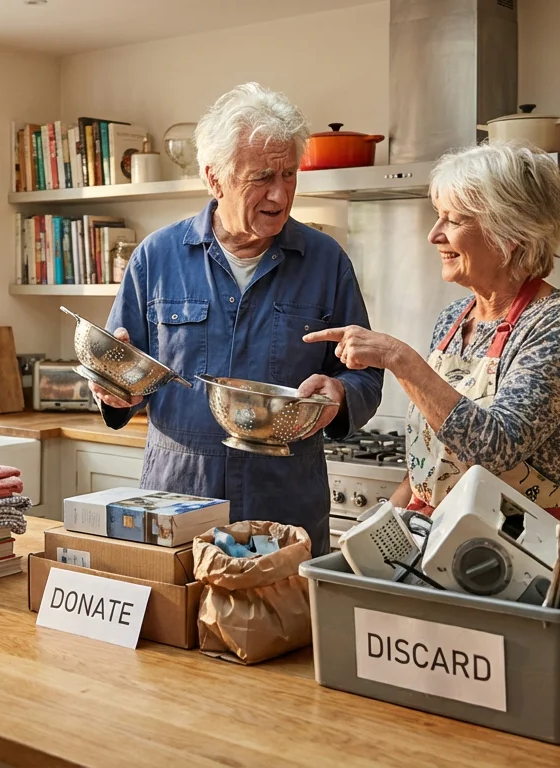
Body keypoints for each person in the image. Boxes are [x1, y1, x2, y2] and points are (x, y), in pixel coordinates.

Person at [92, 83, 384, 555]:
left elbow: (365, 374)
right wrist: (112, 387)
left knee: (287, 631)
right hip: (178, 503)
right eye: (262, 176)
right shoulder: (156, 258)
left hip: (286, 514)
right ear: (215, 179)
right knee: (173, 630)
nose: (279, 192)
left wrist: (342, 394)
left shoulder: (326, 261)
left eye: (289, 173)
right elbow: (124, 380)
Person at [304, 141, 560, 519]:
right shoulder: (454, 319)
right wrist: (381, 524)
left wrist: (398, 358)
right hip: (432, 531)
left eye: (453, 219)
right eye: (437, 216)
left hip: (508, 548)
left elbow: (494, 448)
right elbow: (433, 460)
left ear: (510, 233)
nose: (434, 234)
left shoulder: (557, 323)